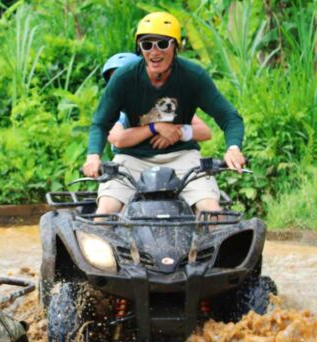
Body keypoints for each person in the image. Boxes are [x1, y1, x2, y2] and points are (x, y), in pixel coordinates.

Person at [82, 12, 247, 215]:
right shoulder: (124, 78)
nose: (154, 51)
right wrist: (93, 156)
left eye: (162, 44)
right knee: (106, 210)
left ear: (176, 46)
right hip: (132, 158)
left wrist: (233, 148)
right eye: (147, 44)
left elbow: (229, 117)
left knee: (211, 211)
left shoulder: (193, 76)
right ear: (139, 48)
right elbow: (101, 123)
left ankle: (206, 245)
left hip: (183, 156)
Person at [100, 52, 212, 152]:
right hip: (135, 161)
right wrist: (155, 127)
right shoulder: (117, 111)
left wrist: (176, 133)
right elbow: (118, 139)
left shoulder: (163, 103)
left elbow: (205, 132)